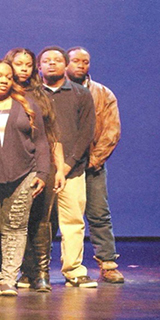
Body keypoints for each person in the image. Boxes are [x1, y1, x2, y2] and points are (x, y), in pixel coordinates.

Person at [0, 59, 51, 297]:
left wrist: (42, 172)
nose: (4, 80)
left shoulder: (26, 104)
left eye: (8, 77)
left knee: (16, 228)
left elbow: (40, 141)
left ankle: (8, 279)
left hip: (23, 174)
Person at [4, 48, 66, 292]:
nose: (23, 69)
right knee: (15, 219)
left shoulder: (40, 96)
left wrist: (59, 168)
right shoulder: (0, 92)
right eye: (18, 64)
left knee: (41, 218)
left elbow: (52, 135)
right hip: (10, 163)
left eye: (28, 64)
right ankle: (22, 270)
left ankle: (40, 273)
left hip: (41, 163)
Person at [38, 46, 96, 288]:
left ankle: (73, 269)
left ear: (65, 65)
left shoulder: (80, 94)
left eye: (57, 60)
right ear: (39, 66)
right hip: (40, 170)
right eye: (46, 61)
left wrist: (68, 164)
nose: (52, 64)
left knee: (72, 220)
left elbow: (86, 132)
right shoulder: (32, 94)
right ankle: (32, 272)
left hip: (72, 170)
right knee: (38, 223)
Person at [66, 47, 124, 283]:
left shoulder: (103, 93)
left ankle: (107, 262)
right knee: (48, 218)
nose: (81, 65)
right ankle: (37, 268)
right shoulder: (54, 91)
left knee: (99, 213)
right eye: (76, 61)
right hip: (60, 166)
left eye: (86, 61)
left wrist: (93, 160)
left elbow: (111, 131)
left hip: (91, 165)